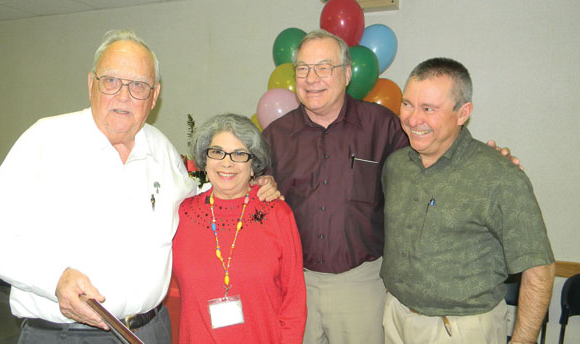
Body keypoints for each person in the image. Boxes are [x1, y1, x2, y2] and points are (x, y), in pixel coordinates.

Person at [0, 30, 280, 344]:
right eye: (111, 81)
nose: (124, 96)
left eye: (138, 85)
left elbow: (194, 202)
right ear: (91, 85)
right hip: (66, 335)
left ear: (154, 96)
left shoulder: (159, 148)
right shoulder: (46, 140)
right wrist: (53, 280)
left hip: (150, 330)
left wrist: (249, 185)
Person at [380, 57, 555, 344]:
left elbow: (540, 267)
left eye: (429, 109)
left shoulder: (498, 176)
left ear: (463, 113)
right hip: (396, 317)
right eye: (407, 104)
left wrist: (522, 340)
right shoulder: (396, 166)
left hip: (460, 329)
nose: (413, 119)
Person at [263, 29, 409, 344]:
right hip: (294, 285)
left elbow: (426, 171)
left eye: (323, 67)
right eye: (302, 68)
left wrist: (480, 159)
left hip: (361, 285)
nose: (311, 78)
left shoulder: (382, 126)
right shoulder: (274, 136)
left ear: (346, 74)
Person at [172, 114, 306, 344]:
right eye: (217, 152)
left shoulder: (277, 214)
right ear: (205, 160)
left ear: (254, 166)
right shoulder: (181, 214)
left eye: (239, 154)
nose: (227, 162)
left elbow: (294, 300)